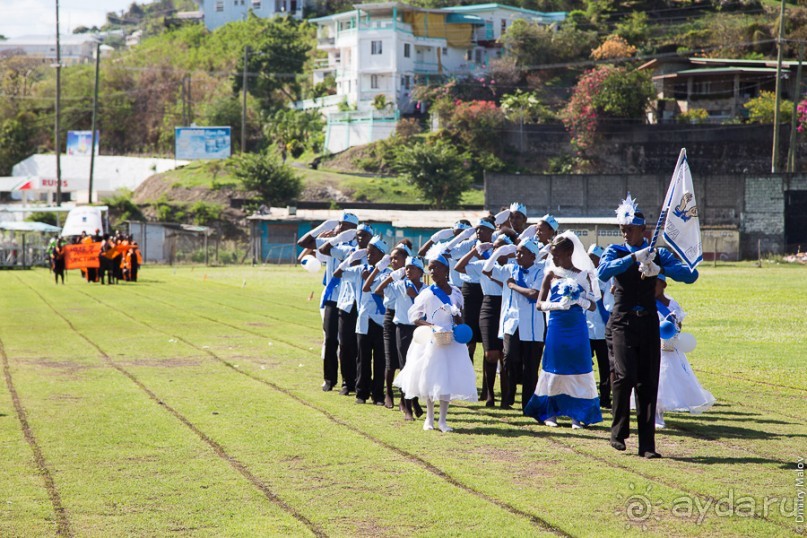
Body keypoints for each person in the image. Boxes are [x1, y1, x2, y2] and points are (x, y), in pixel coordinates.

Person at [597, 194, 699, 459]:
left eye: (630, 229)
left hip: (648, 322)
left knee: (647, 381)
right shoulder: (616, 250)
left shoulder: (658, 252)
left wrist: (658, 266)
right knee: (624, 374)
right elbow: (603, 272)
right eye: (623, 229)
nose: (625, 233)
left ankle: (647, 446)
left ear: (644, 230)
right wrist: (633, 259)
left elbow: (691, 275)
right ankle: (618, 431)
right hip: (622, 320)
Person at [525, 233, 603, 429]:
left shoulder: (583, 274)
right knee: (555, 368)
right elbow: (539, 304)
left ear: (569, 253)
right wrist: (557, 305)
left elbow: (593, 306)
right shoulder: (550, 274)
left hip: (577, 328)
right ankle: (549, 412)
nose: (553, 259)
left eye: (557, 255)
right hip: (557, 327)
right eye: (552, 255)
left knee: (578, 368)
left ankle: (578, 414)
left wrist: (579, 300)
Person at [394, 255, 478, 432]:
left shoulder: (456, 292)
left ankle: (443, 420)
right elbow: (414, 317)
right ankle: (429, 418)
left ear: (446, 270)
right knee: (430, 377)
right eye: (430, 268)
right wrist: (432, 326)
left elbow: (461, 319)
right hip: (433, 339)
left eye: (436, 268)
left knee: (447, 378)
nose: (432, 272)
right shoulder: (427, 293)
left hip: (451, 340)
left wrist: (456, 316)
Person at [642, 274, 715, 428]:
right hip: (651, 345)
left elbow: (679, 326)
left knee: (666, 378)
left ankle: (660, 411)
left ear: (663, 285)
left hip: (669, 348)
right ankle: (654, 413)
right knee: (653, 377)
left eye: (655, 284)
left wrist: (673, 330)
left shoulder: (672, 304)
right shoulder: (646, 302)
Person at [455, 229, 516, 407]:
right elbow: (459, 267)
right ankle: (490, 394)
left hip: (507, 305)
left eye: (502, 249)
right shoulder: (483, 264)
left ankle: (506, 397)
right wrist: (475, 251)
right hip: (488, 306)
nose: (498, 252)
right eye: (495, 248)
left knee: (505, 354)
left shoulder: (513, 266)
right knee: (490, 354)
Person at [482, 238, 546, 410]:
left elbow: (534, 293)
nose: (517, 255)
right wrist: (498, 252)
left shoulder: (540, 271)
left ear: (532, 256)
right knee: (509, 358)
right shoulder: (510, 268)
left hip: (532, 326)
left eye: (522, 252)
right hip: (512, 323)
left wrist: (513, 285)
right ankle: (508, 397)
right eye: (517, 252)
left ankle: (528, 404)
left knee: (530, 366)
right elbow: (486, 270)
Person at [300, 212, 359, 393]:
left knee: (348, 342)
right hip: (332, 298)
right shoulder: (332, 242)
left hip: (351, 299)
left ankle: (348, 382)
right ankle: (329, 379)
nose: (340, 227)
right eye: (339, 223)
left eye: (345, 225)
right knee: (330, 339)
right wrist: (324, 227)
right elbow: (304, 244)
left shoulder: (359, 246)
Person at [335, 235, 390, 405]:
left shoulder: (388, 273)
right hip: (364, 320)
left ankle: (378, 395)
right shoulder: (361, 269)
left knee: (380, 360)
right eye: (367, 252)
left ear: (381, 254)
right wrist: (351, 259)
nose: (368, 255)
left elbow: (380, 291)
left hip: (381, 321)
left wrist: (375, 272)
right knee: (363, 359)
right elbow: (338, 274)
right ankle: (361, 393)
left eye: (372, 253)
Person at [375, 255, 427, 421]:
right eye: (407, 268)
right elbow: (378, 290)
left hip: (419, 330)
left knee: (417, 368)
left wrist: (416, 294)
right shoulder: (400, 285)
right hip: (403, 329)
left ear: (420, 271)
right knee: (406, 367)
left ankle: (414, 401)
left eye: (412, 268)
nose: (408, 271)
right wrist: (392, 276)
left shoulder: (426, 289)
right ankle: (407, 409)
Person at [364, 241, 410, 408]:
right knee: (390, 360)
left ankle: (405, 398)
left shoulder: (413, 275)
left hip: (408, 318)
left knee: (406, 360)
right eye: (391, 259)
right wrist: (379, 269)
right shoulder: (388, 275)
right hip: (391, 317)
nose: (393, 262)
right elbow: (368, 287)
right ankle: (389, 392)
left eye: (397, 258)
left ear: (406, 259)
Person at [447, 217, 496, 364]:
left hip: (488, 290)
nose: (479, 231)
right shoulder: (470, 244)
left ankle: (487, 385)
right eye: (477, 229)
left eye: (483, 229)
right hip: (469, 290)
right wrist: (461, 238)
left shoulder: (496, 245)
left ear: (491, 231)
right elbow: (446, 252)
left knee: (488, 341)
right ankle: (467, 376)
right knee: (469, 338)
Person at [586, 244, 613, 409]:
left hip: (603, 329)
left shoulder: (606, 277)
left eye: (593, 257)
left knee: (605, 367)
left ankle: (605, 398)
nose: (590, 260)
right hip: (587, 329)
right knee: (585, 366)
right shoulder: (583, 274)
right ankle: (587, 396)